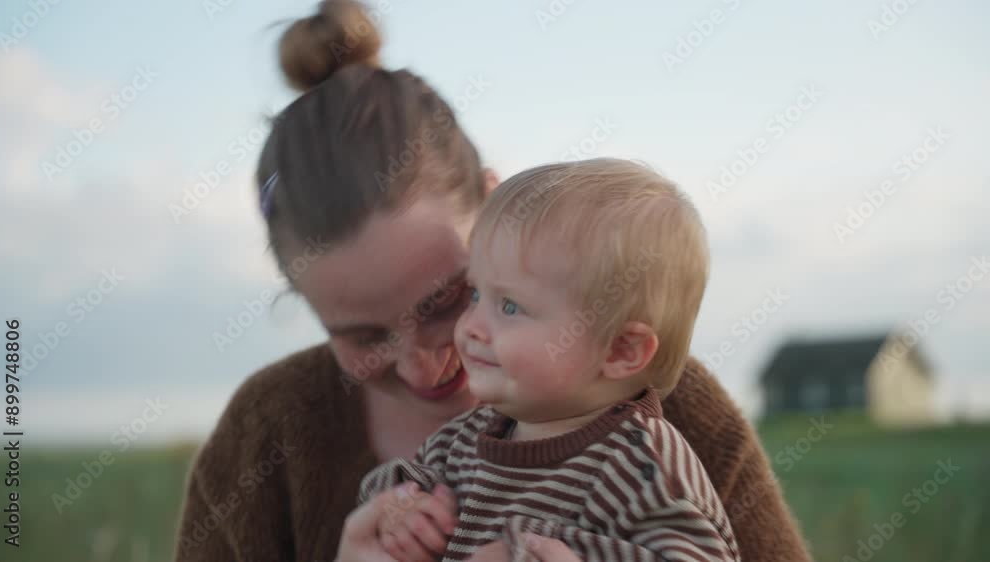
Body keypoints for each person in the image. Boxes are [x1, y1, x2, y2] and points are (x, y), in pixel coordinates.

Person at [172, 1, 812, 561]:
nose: (425, 366)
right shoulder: (266, 434)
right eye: (364, 336)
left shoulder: (666, 412)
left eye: (449, 298)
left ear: (497, 209)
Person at [357, 158, 742, 562]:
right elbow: (394, 488)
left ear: (620, 350)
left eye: (509, 306)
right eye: (475, 295)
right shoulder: (461, 442)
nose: (470, 326)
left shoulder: (641, 464)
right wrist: (403, 512)